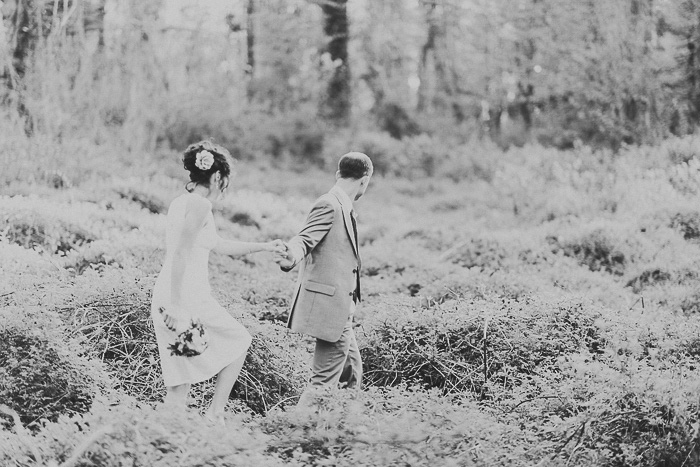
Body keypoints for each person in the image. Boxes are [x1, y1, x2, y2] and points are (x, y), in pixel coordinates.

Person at [151, 140, 285, 424]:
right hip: (183, 298)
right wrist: (176, 305)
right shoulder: (199, 205)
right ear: (216, 177)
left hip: (174, 295)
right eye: (225, 180)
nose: (225, 186)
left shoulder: (183, 202)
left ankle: (165, 439)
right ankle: (215, 415)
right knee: (239, 339)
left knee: (179, 385)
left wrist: (264, 246)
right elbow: (181, 253)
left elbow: (219, 245)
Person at [275, 152, 373, 406]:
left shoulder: (343, 206)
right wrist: (291, 256)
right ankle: (296, 434)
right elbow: (304, 239)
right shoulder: (329, 204)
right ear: (365, 181)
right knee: (323, 382)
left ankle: (339, 430)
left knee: (351, 372)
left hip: (342, 309)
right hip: (331, 308)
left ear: (338, 174)